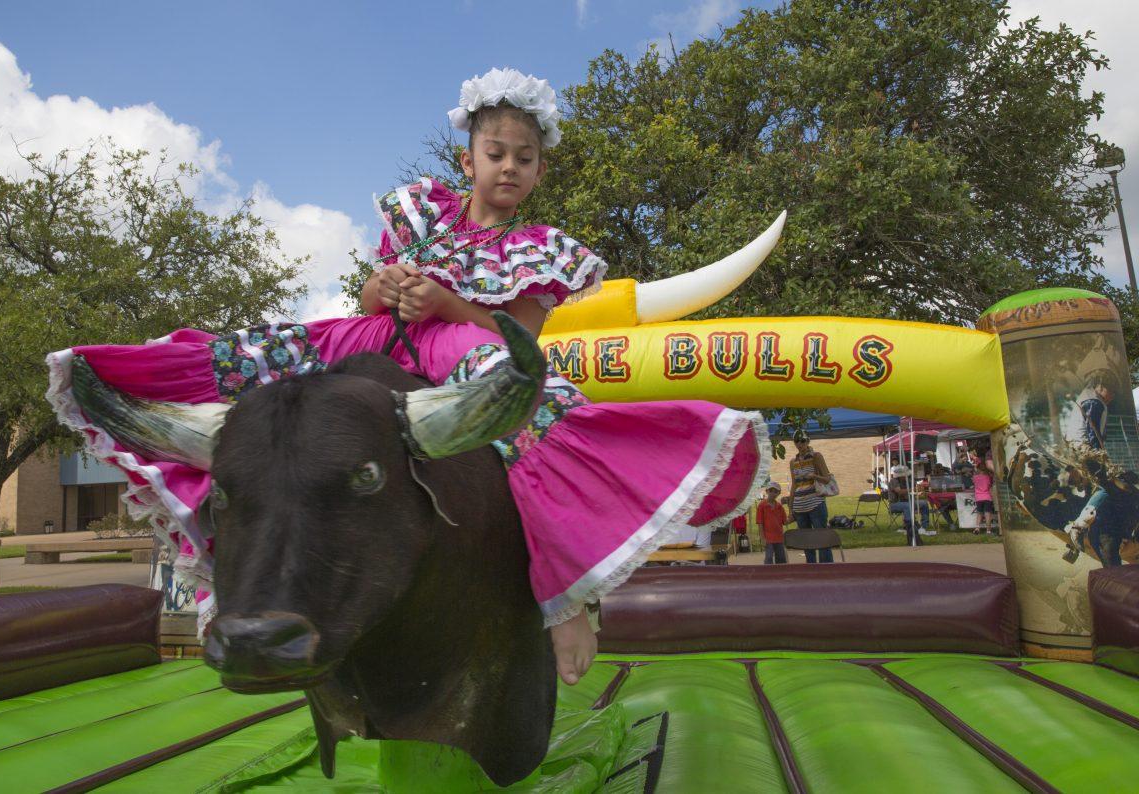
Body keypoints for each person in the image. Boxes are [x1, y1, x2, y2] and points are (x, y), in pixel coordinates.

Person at [45, 68, 770, 687]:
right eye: (496, 153)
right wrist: (387, 287)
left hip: (465, 345)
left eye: (525, 157)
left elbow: (522, 336)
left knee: (529, 412)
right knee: (262, 366)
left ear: (540, 172)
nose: (509, 167)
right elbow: (366, 300)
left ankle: (564, 600)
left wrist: (446, 304)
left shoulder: (544, 250)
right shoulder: (421, 216)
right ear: (469, 160)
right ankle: (129, 398)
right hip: (381, 335)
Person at [787, 431, 834, 562]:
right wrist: (791, 509)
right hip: (800, 507)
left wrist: (814, 476)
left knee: (821, 538)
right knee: (806, 541)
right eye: (796, 441)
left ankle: (826, 570)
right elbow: (794, 485)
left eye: (802, 440)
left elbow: (827, 479)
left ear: (808, 441)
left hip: (816, 504)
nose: (799, 443)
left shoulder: (816, 456)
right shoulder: (793, 462)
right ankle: (811, 569)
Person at [887, 465, 923, 546]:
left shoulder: (905, 482)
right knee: (907, 506)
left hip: (904, 502)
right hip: (894, 504)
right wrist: (912, 489)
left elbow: (906, 494)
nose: (906, 476)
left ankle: (923, 526)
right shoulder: (894, 481)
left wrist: (916, 491)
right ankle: (910, 524)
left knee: (923, 504)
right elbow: (899, 492)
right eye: (905, 475)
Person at [756, 483, 788, 564]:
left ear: (779, 493)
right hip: (768, 538)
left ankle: (780, 575)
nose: (773, 493)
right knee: (769, 558)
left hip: (779, 537)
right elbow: (760, 523)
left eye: (775, 492)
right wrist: (762, 538)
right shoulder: (762, 506)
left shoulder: (780, 507)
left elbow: (785, 521)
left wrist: (794, 516)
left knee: (781, 558)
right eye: (771, 491)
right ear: (767, 491)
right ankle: (767, 574)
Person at [972, 460, 996, 535]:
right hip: (987, 497)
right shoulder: (988, 477)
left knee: (979, 513)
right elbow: (990, 486)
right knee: (987, 514)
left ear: (978, 469)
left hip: (978, 497)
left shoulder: (975, 477)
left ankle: (977, 528)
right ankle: (988, 530)